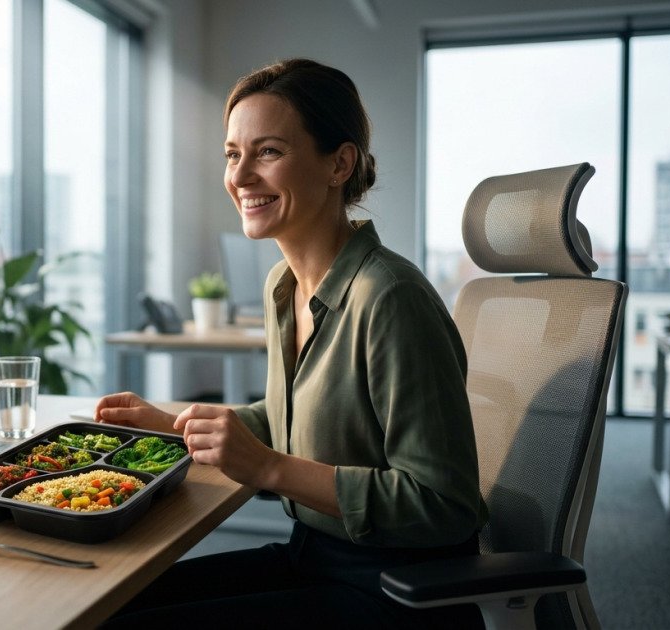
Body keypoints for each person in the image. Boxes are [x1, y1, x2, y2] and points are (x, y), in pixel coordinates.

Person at [95, 58, 488, 627]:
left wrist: (270, 468)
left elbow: (445, 505)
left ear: (339, 164)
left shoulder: (390, 297)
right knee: (108, 604)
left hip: (398, 591)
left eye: (269, 152)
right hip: (314, 557)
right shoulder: (284, 286)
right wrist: (176, 427)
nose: (240, 176)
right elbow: (291, 417)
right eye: (232, 154)